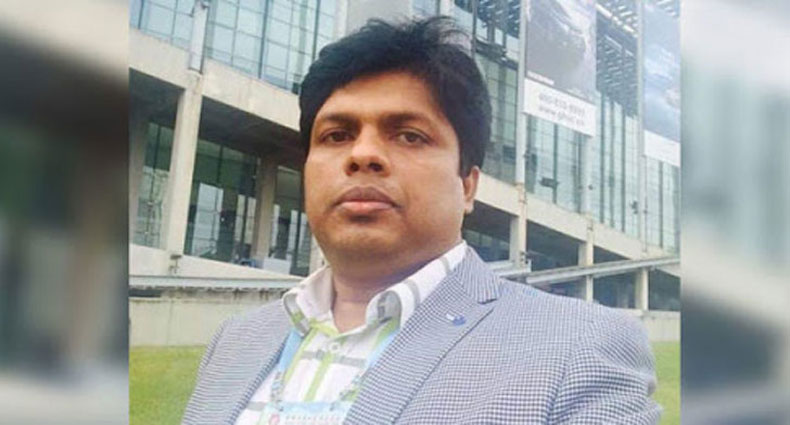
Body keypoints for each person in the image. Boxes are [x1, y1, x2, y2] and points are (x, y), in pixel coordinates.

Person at [182, 17, 661, 425]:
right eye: (337, 135)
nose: (363, 154)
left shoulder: (578, 347)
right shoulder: (236, 341)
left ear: (468, 185)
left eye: (409, 135)